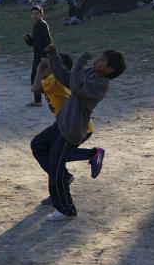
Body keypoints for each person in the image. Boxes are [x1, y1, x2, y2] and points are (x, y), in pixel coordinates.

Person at [31, 44, 126, 221]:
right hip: (61, 124)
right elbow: (66, 77)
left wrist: (81, 61)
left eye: (103, 60)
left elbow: (76, 87)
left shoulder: (101, 84)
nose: (98, 60)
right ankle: (64, 178)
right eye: (100, 57)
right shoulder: (91, 73)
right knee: (38, 145)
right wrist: (53, 55)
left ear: (110, 69)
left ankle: (67, 209)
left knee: (55, 167)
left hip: (72, 130)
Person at [31, 53, 105, 205]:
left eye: (48, 66)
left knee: (54, 158)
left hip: (75, 127)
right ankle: (64, 178)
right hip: (65, 124)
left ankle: (61, 185)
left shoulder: (55, 80)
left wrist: (39, 70)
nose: (44, 67)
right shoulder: (58, 78)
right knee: (39, 146)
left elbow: (35, 88)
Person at [23, 5, 52, 107]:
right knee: (40, 78)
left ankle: (39, 101)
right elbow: (36, 42)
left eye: (37, 13)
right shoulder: (37, 25)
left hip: (42, 57)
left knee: (36, 78)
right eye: (33, 13)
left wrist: (47, 56)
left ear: (41, 15)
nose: (35, 15)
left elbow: (48, 41)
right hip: (38, 56)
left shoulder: (42, 25)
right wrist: (29, 40)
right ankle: (39, 100)